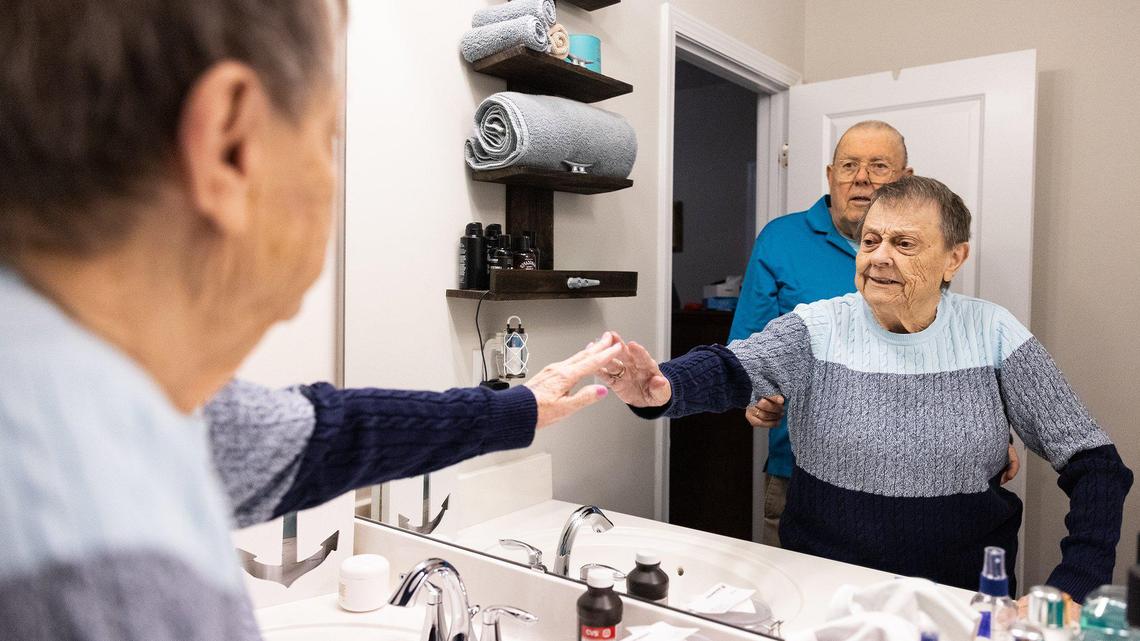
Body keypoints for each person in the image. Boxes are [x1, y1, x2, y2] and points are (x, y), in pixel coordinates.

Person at [0, 2, 622, 638]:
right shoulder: (101, 575)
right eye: (329, 136)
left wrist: (518, 407)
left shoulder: (107, 398)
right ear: (230, 143)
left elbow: (332, 435)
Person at [602, 176, 1132, 602]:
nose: (879, 256)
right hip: (820, 590)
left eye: (904, 244)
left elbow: (1097, 464)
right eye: (871, 240)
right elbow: (734, 368)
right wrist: (663, 387)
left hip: (958, 598)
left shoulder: (994, 333)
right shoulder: (818, 325)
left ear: (954, 258)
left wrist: (1075, 585)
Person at [733, 121, 1019, 547]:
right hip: (805, 473)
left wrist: (990, 433)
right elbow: (746, 351)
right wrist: (758, 396)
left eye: (879, 166)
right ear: (830, 175)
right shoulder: (780, 239)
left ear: (906, 178)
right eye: (849, 165)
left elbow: (949, 350)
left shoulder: (925, 242)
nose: (862, 178)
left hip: (926, 480)